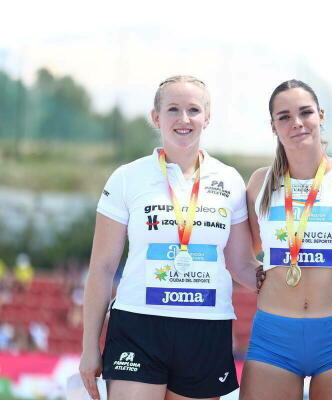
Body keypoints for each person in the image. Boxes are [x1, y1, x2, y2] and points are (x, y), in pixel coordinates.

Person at [79, 75, 258, 400]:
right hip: (138, 325)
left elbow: (241, 265)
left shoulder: (229, 180)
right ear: (156, 117)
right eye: (173, 109)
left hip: (206, 327)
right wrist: (89, 347)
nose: (184, 119)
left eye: (193, 109)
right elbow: (102, 268)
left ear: (207, 117)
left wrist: (297, 281)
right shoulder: (127, 178)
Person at [239, 80, 332, 400]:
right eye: (284, 116)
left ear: (321, 115)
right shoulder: (259, 182)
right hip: (274, 336)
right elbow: (251, 250)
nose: (296, 123)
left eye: (305, 112)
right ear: (273, 126)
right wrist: (257, 274)